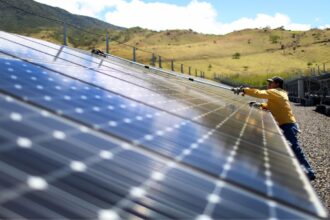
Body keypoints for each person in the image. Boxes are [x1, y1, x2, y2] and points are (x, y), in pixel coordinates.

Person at [232, 76, 316, 181]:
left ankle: (309, 172)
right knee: (289, 148)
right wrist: (260, 105)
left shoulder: (275, 92)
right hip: (287, 124)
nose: (269, 85)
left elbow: (258, 93)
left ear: (277, 84)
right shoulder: (280, 93)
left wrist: (243, 90)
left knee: (294, 148)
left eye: (271, 83)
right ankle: (295, 171)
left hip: (288, 125)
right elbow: (273, 106)